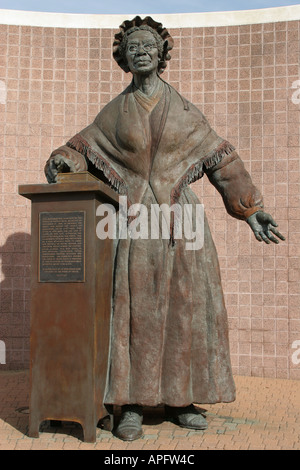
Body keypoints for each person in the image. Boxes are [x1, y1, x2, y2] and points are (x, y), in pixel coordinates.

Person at [44, 16, 285, 441]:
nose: (141, 51)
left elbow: (220, 160)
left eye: (148, 46)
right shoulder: (114, 112)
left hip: (181, 223)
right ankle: (131, 405)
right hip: (134, 223)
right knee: (133, 313)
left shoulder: (185, 110)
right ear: (124, 57)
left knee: (184, 311)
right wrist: (64, 158)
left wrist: (251, 210)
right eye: (133, 46)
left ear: (160, 55)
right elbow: (84, 145)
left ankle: (182, 400)